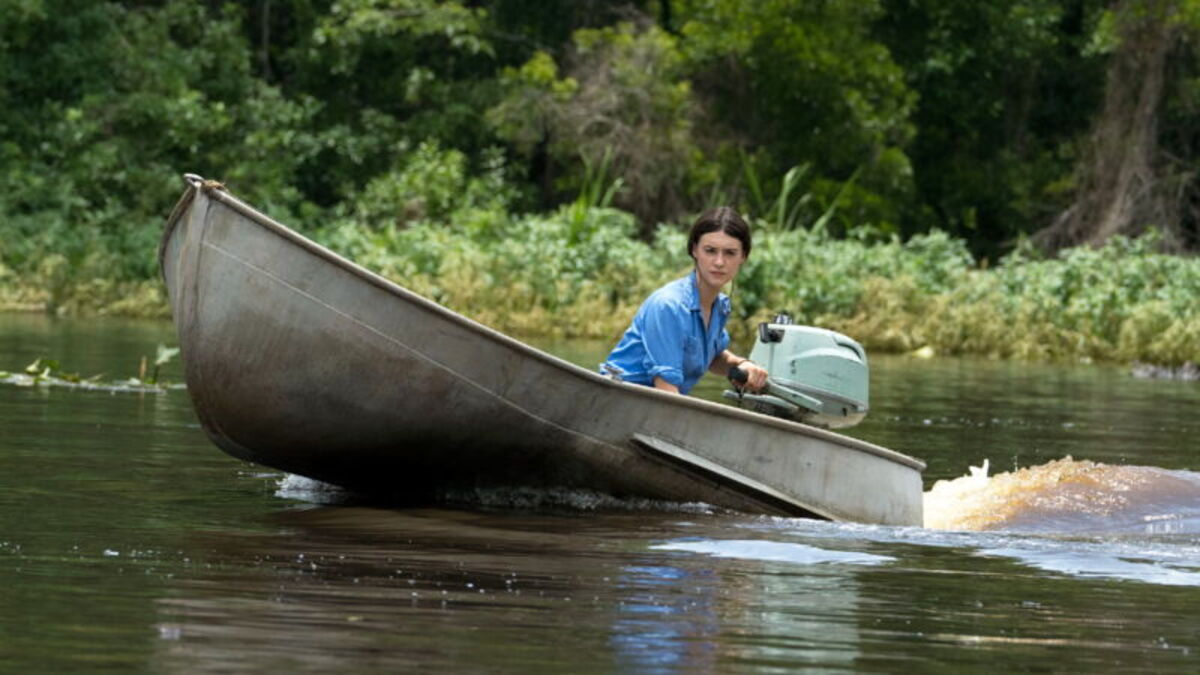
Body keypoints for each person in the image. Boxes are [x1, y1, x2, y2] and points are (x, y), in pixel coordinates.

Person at [600, 206, 769, 395]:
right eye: (710, 250)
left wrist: (740, 364)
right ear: (694, 250)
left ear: (743, 257)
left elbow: (711, 357)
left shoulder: (720, 306)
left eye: (730, 253)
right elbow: (666, 390)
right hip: (617, 399)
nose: (719, 262)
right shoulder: (668, 306)